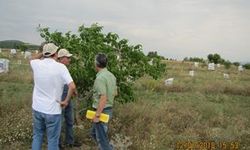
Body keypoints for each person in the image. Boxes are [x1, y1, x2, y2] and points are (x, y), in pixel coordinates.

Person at [30, 43, 76, 150]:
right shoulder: (61, 67)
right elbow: (72, 86)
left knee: (37, 136)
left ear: (44, 54)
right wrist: (65, 101)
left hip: (37, 108)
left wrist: (44, 52)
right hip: (53, 110)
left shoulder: (36, 64)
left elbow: (32, 59)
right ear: (55, 53)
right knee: (52, 140)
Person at [91, 53, 117, 150]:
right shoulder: (112, 76)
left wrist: (97, 115)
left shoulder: (100, 78)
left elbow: (103, 97)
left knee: (101, 139)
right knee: (95, 133)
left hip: (101, 110)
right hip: (108, 109)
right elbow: (115, 92)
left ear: (96, 63)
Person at [57, 49, 81, 148]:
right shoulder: (57, 67)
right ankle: (57, 143)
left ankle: (69, 141)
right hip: (61, 95)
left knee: (69, 120)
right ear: (61, 58)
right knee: (60, 120)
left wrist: (73, 92)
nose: (69, 60)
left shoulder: (64, 68)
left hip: (67, 94)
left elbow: (69, 83)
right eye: (68, 58)